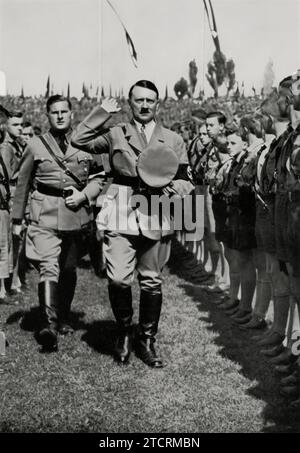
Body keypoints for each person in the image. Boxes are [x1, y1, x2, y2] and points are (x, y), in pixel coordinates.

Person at [71, 80, 193, 368]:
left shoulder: (172, 139)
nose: (145, 105)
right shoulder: (116, 133)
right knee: (117, 278)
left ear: (158, 104)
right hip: (122, 205)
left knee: (151, 279)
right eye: (139, 100)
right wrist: (101, 112)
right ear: (130, 103)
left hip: (157, 207)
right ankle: (124, 332)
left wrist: (175, 187)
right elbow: (78, 139)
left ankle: (146, 339)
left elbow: (187, 179)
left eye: (150, 100)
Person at [12, 95, 104, 352]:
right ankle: (48, 326)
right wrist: (17, 219)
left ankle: (63, 316)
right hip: (45, 214)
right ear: (48, 115)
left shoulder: (88, 144)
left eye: (64, 111)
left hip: (76, 216)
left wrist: (85, 195)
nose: (60, 116)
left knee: (69, 268)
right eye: (55, 112)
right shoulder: (35, 145)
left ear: (72, 114)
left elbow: (99, 178)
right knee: (48, 267)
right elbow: (22, 184)